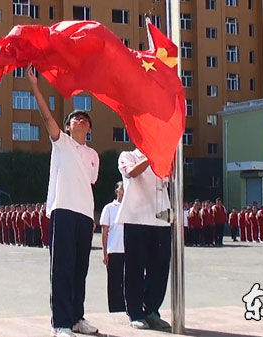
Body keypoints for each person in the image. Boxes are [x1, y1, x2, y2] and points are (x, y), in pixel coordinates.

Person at [28, 66, 100, 337]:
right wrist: (35, 86)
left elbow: (88, 185)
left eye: (85, 119)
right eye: (75, 118)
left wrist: (92, 216)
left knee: (80, 269)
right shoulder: (61, 143)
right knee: (62, 268)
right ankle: (60, 323)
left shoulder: (93, 155)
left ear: (89, 128)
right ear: (68, 126)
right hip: (64, 211)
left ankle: (76, 318)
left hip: (83, 215)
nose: (80, 121)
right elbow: (47, 116)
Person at [116, 146, 172, 331]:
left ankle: (152, 310)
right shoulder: (128, 156)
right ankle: (135, 312)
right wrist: (151, 156)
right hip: (136, 218)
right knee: (135, 268)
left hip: (161, 218)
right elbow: (132, 172)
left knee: (160, 268)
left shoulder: (162, 156)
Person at [99, 181, 125, 313]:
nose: (124, 190)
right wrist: (105, 253)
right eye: (121, 187)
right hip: (114, 251)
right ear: (117, 190)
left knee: (128, 282)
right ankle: (115, 309)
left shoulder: (130, 207)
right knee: (114, 283)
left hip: (128, 251)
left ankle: (128, 308)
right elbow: (105, 232)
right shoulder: (109, 208)